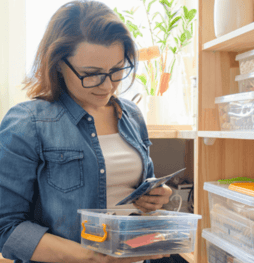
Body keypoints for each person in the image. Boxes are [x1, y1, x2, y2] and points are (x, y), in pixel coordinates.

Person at [0, 1, 173, 262]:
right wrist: (92, 257)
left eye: (117, 70)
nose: (108, 86)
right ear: (58, 64)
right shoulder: (27, 122)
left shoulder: (132, 115)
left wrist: (155, 196)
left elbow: (138, 188)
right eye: (91, 74)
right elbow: (7, 229)